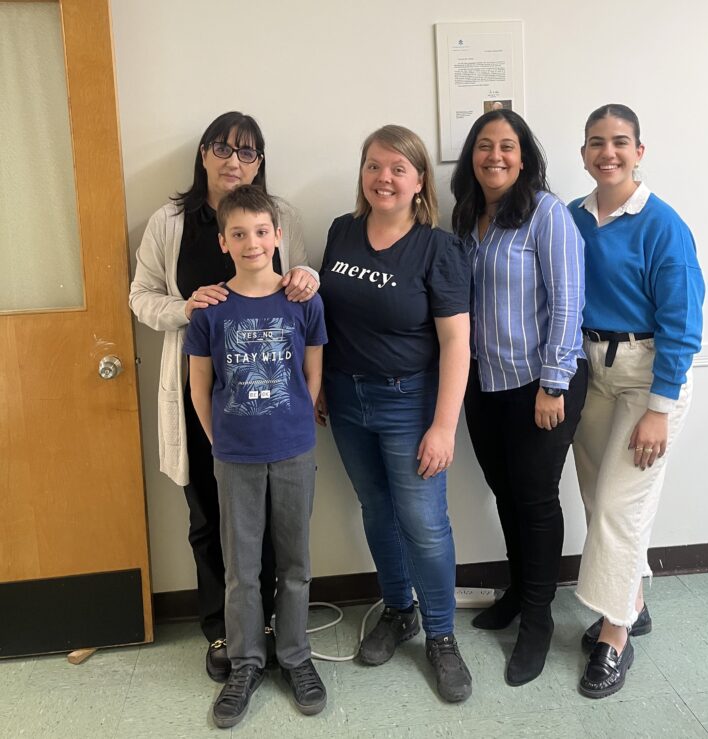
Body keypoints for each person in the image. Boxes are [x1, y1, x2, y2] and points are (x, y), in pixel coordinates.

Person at [129, 112, 318, 682]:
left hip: (273, 401)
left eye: (248, 152)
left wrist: (307, 275)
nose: (234, 161)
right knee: (210, 519)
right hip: (203, 388)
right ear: (204, 156)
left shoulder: (280, 216)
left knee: (276, 527)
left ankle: (272, 631)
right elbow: (140, 297)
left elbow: (303, 283)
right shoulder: (170, 221)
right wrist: (185, 309)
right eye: (222, 149)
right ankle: (223, 628)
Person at [317, 125, 473, 703]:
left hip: (409, 401)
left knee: (424, 522)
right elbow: (326, 319)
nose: (385, 178)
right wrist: (320, 382)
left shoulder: (437, 247)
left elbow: (458, 344)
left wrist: (442, 425)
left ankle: (441, 636)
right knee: (377, 509)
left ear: (419, 181)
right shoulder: (341, 232)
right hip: (345, 396)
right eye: (374, 166)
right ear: (362, 173)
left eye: (398, 169)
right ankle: (399, 609)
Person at [568, 104, 704, 698]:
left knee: (622, 506)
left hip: (650, 377)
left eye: (620, 142)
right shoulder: (572, 217)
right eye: (597, 143)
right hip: (590, 370)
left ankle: (615, 637)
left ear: (639, 151)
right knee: (598, 500)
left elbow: (683, 321)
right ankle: (634, 600)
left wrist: (660, 407)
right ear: (584, 154)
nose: (608, 153)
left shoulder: (662, 224)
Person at [451, 109, 587, 686]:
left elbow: (568, 300)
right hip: (484, 383)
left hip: (540, 385)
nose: (495, 156)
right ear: (471, 156)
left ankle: (538, 618)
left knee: (534, 502)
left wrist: (554, 382)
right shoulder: (466, 218)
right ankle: (516, 589)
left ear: (525, 156)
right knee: (506, 495)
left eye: (507, 146)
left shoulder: (547, 215)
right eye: (484, 146)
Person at [184, 186, 327, 727]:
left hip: (293, 450)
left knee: (295, 562)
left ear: (278, 236)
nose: (251, 242)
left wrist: (293, 423)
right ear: (223, 241)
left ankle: (295, 656)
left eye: (261, 232)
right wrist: (217, 439)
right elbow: (200, 387)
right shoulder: (210, 310)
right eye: (238, 234)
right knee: (242, 568)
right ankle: (246, 662)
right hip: (235, 455)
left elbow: (312, 375)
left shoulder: (303, 301)